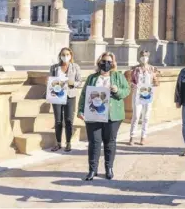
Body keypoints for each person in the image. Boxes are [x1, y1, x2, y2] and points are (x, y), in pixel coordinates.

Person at [77, 52, 130, 181]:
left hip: (112, 115)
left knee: (109, 142)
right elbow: (84, 94)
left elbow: (127, 90)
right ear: (99, 62)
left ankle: (109, 168)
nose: (106, 64)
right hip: (93, 113)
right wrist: (80, 110)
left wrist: (117, 90)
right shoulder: (92, 78)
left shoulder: (118, 76)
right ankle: (92, 169)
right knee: (94, 142)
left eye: (109, 62)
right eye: (104, 61)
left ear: (113, 63)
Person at [49, 47, 82, 152]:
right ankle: (58, 143)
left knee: (68, 120)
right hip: (57, 96)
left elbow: (79, 81)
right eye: (63, 54)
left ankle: (68, 143)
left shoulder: (75, 67)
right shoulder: (54, 67)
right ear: (60, 56)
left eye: (67, 54)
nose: (65, 56)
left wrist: (73, 84)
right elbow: (51, 81)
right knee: (58, 120)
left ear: (71, 55)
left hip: (70, 96)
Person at [129, 50, 160, 146]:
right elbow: (131, 81)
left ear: (148, 57)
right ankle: (132, 136)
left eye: (146, 56)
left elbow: (157, 83)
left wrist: (155, 80)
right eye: (142, 56)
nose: (144, 57)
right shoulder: (135, 69)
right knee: (136, 115)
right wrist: (133, 85)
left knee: (146, 116)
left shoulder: (152, 69)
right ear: (139, 57)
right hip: (137, 94)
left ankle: (143, 136)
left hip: (148, 94)